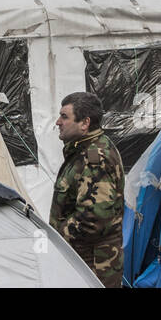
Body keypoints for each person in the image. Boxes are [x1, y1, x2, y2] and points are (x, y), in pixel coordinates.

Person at [49, 91, 123, 287]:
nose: (58, 122)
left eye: (64, 116)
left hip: (94, 267)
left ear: (85, 123)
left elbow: (93, 218)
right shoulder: (84, 150)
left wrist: (56, 237)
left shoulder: (94, 158)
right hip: (86, 262)